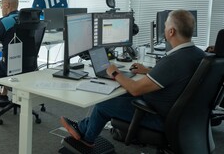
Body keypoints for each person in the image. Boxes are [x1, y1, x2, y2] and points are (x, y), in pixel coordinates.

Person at [60, 9, 206, 150]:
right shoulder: (199, 55)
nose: (164, 27)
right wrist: (148, 71)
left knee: (104, 104)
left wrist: (115, 73)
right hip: (184, 118)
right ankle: (82, 128)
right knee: (121, 93)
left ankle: (87, 139)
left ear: (171, 31)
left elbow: (136, 89)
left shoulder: (173, 60)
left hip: (158, 117)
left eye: (166, 25)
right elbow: (178, 76)